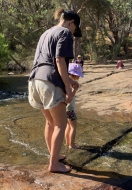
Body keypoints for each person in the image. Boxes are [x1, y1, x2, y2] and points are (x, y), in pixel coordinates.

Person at [28, 8, 82, 173]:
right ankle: (54, 164)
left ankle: (54, 155)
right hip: (50, 82)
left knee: (50, 122)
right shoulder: (65, 33)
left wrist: (69, 80)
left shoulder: (46, 33)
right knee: (61, 124)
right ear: (71, 22)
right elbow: (59, 60)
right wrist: (67, 86)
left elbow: (44, 60)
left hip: (35, 80)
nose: (73, 33)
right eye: (75, 29)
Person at [65, 63, 83, 149]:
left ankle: (67, 143)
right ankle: (72, 144)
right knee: (73, 127)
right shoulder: (70, 85)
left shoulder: (65, 82)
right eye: (77, 76)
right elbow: (69, 98)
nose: (78, 78)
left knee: (68, 126)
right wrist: (75, 89)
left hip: (65, 109)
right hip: (70, 109)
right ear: (73, 75)